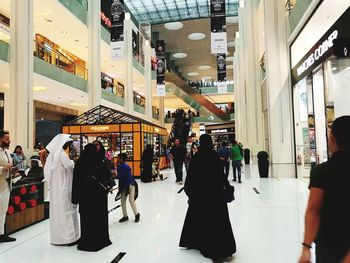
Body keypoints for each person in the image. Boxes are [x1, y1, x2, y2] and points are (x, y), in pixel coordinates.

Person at [299, 116, 350, 263]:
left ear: (332, 138)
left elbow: (313, 211)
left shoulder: (321, 172)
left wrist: (306, 248)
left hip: (328, 246)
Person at [179, 134, 236, 259]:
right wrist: (226, 186)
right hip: (216, 195)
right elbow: (222, 175)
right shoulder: (215, 157)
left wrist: (191, 192)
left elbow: (191, 177)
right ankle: (222, 246)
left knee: (199, 217)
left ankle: (196, 241)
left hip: (200, 195)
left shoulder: (197, 157)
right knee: (218, 221)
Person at [72, 144, 112, 251]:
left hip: (84, 196)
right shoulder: (99, 161)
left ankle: (87, 240)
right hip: (98, 196)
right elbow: (108, 176)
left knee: (86, 219)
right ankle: (101, 239)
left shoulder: (80, 163)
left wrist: (75, 197)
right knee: (99, 217)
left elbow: (75, 181)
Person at [44, 134, 79, 246]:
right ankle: (69, 238)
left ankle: (58, 237)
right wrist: (73, 162)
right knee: (66, 212)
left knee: (58, 212)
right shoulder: (62, 154)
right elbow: (69, 167)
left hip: (56, 189)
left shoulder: (53, 155)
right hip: (64, 187)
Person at [0, 130, 16, 242]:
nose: (9, 141)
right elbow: (5, 167)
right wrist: (4, 168)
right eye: (7, 139)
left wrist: (12, 171)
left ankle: (1, 233)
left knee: (3, 210)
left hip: (6, 185)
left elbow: (9, 166)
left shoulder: (7, 152)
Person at [117, 153, 140, 223]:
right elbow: (120, 178)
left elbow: (129, 178)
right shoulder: (119, 167)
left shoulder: (126, 167)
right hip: (124, 186)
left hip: (131, 185)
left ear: (122, 159)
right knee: (122, 201)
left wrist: (126, 188)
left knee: (131, 200)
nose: (117, 159)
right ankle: (125, 216)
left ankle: (137, 214)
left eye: (119, 158)